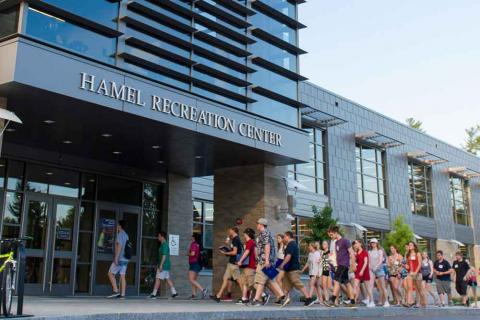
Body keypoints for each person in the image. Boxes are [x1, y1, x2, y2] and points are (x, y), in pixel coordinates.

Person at [251, 218, 288, 307]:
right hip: (266, 261)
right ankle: (282, 296)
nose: (257, 225)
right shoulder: (264, 234)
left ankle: (256, 300)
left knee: (260, 281)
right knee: (271, 280)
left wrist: (266, 260)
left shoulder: (265, 234)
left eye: (258, 223)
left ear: (261, 225)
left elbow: (267, 246)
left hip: (264, 261)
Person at [279, 231, 315, 307]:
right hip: (289, 269)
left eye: (284, 236)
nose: (284, 238)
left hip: (293, 269)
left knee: (297, 283)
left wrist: (282, 264)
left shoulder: (291, 244)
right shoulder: (290, 244)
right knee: (286, 285)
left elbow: (288, 256)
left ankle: (309, 298)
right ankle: (284, 300)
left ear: (288, 236)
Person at [325, 226, 356, 308]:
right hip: (339, 264)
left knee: (336, 280)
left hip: (344, 264)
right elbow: (337, 255)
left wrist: (353, 265)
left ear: (336, 232)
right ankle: (352, 301)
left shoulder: (345, 241)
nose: (331, 237)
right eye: (330, 235)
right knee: (347, 283)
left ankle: (332, 300)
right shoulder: (336, 243)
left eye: (331, 235)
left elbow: (351, 253)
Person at [211, 227, 243, 302]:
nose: (229, 231)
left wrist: (225, 252)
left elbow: (235, 252)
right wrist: (227, 245)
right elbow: (233, 250)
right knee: (225, 279)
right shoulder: (234, 239)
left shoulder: (236, 239)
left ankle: (244, 297)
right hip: (231, 263)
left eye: (230, 230)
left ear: (234, 231)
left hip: (234, 263)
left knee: (239, 280)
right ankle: (218, 296)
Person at [149, 231, 177, 298]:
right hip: (165, 265)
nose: (158, 237)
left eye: (159, 236)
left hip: (163, 265)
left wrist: (161, 265)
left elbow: (164, 256)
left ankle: (154, 294)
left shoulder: (164, 245)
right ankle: (174, 292)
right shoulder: (163, 244)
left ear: (162, 237)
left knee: (158, 278)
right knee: (167, 279)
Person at [107, 220, 129, 299]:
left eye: (118, 225)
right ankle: (122, 294)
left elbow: (119, 246)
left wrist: (116, 258)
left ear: (120, 226)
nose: (117, 226)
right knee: (123, 276)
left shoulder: (120, 235)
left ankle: (115, 290)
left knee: (110, 273)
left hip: (120, 259)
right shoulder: (126, 235)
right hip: (125, 259)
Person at [236, 227, 256, 305]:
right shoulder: (248, 242)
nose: (244, 235)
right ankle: (244, 298)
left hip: (250, 265)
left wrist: (240, 261)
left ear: (247, 234)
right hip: (246, 266)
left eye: (244, 234)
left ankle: (263, 295)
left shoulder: (250, 242)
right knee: (244, 282)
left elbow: (247, 252)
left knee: (252, 283)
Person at [368, 238, 389, 307]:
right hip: (372, 270)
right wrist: (371, 267)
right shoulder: (369, 251)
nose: (373, 244)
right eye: (372, 243)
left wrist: (376, 267)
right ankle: (371, 302)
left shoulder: (380, 251)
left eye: (374, 242)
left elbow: (380, 260)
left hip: (379, 269)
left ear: (377, 243)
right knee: (370, 286)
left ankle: (386, 302)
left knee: (383, 286)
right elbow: (369, 261)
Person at [352, 240, 374, 307]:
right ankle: (353, 300)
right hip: (358, 271)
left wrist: (362, 270)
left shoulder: (365, 252)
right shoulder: (357, 252)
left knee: (368, 287)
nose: (355, 244)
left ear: (360, 243)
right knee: (355, 285)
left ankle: (372, 301)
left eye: (356, 243)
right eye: (354, 244)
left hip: (364, 271)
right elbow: (355, 262)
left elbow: (365, 262)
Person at [404, 241, 426, 308]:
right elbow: (408, 265)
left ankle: (423, 302)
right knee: (409, 288)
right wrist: (406, 266)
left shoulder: (418, 253)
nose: (409, 245)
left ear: (414, 246)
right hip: (410, 273)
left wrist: (415, 272)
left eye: (411, 245)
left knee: (419, 289)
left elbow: (420, 264)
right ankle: (409, 302)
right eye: (409, 244)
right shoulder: (408, 254)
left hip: (417, 273)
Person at [188, 233, 207, 299]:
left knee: (191, 279)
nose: (191, 237)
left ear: (194, 237)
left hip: (194, 263)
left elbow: (192, 254)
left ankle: (203, 290)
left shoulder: (193, 244)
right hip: (199, 264)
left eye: (192, 236)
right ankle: (194, 295)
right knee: (194, 280)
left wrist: (188, 254)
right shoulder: (199, 244)